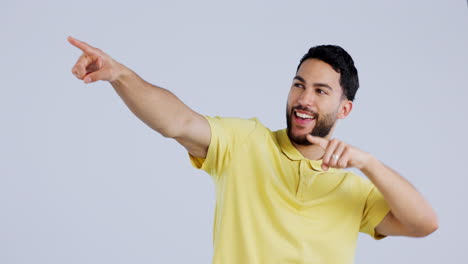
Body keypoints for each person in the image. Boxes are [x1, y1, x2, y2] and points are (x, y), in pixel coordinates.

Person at [68, 36, 438, 264]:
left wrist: (369, 163)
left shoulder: (355, 191)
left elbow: (425, 224)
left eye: (320, 91)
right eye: (299, 85)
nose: (304, 99)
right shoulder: (244, 142)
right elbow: (176, 122)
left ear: (344, 109)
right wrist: (119, 74)